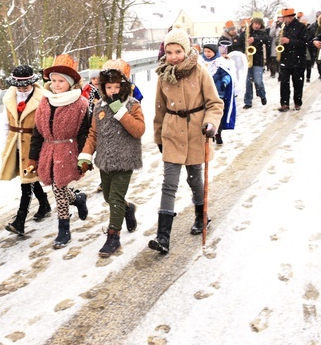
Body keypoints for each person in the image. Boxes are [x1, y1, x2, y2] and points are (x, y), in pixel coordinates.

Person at [149, 28, 224, 255]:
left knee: (194, 178)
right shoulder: (163, 74)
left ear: (186, 50)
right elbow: (159, 108)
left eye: (178, 51)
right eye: (170, 51)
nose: (173, 56)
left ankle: (202, 217)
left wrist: (211, 123)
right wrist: (158, 134)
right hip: (172, 133)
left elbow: (215, 103)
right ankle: (163, 237)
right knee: (169, 183)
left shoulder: (200, 72)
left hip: (195, 132)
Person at [77, 59, 145, 257]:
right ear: (103, 88)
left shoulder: (132, 105)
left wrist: (120, 111)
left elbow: (138, 130)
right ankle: (128, 209)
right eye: (109, 87)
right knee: (108, 196)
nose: (113, 91)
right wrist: (86, 156)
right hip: (105, 161)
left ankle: (113, 236)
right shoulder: (98, 107)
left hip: (125, 160)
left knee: (114, 197)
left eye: (117, 86)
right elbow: (93, 134)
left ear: (124, 86)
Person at [29, 53, 91, 249]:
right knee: (58, 187)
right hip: (49, 149)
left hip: (68, 149)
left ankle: (64, 228)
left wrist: (84, 156)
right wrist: (33, 157)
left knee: (58, 188)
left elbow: (84, 132)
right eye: (53, 80)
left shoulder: (80, 103)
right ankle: (78, 199)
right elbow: (38, 131)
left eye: (61, 81)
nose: (56, 85)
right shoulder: (45, 101)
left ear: (70, 83)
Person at [0, 65, 52, 236]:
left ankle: (20, 220)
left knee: (26, 183)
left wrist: (45, 148)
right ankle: (44, 204)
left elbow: (45, 125)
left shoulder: (43, 99)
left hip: (33, 144)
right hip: (15, 144)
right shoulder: (9, 99)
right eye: (19, 86)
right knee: (28, 178)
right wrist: (4, 147)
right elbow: (5, 124)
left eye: (25, 86)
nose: (22, 89)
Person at [200, 40, 236, 145]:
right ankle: (208, 132)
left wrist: (225, 81)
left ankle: (217, 132)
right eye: (205, 51)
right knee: (206, 115)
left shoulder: (220, 63)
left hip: (218, 93)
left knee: (217, 115)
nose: (207, 53)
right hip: (204, 95)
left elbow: (227, 74)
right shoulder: (201, 63)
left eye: (209, 51)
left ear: (215, 52)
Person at [276, 8, 311, 112]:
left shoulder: (301, 27)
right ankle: (284, 104)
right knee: (284, 83)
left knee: (298, 83)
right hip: (285, 59)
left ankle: (297, 102)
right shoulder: (283, 27)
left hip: (298, 59)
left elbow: (305, 42)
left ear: (290, 17)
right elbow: (279, 40)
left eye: (285, 18)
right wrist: (279, 43)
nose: (283, 20)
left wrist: (289, 41)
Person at [242, 16, 271, 109]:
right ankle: (248, 102)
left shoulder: (263, 32)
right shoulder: (246, 32)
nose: (257, 26)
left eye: (259, 24)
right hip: (247, 60)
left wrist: (255, 39)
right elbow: (239, 43)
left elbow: (267, 40)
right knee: (248, 82)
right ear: (252, 23)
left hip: (258, 60)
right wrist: (243, 51)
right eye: (256, 24)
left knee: (258, 81)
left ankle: (262, 95)